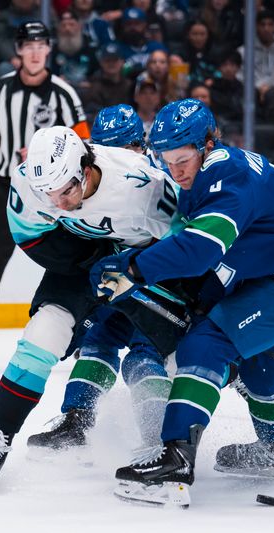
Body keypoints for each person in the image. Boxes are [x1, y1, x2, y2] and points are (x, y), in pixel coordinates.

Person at [88, 98, 274, 505]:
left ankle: (175, 459)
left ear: (208, 143)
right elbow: (226, 256)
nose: (175, 171)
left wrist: (135, 268)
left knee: (207, 343)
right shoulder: (214, 174)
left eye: (183, 159)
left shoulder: (225, 171)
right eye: (166, 160)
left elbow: (200, 249)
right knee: (258, 365)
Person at [0, 124, 183, 490]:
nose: (58, 203)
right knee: (42, 335)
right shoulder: (26, 181)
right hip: (82, 259)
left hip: (143, 265)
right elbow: (30, 236)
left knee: (173, 347)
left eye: (66, 190)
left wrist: (134, 267)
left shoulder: (144, 186)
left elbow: (188, 243)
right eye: (48, 194)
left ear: (86, 168)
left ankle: (169, 445)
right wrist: (91, 261)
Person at [26, 106, 173, 452]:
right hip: (115, 277)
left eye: (126, 148)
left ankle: (159, 437)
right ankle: (77, 420)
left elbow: (180, 237)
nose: (116, 156)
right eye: (108, 148)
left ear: (141, 145)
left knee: (144, 353)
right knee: (96, 341)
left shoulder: (154, 180)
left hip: (158, 278)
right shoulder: (87, 178)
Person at [0, 21, 89, 358]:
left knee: (75, 259)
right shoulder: (0, 91)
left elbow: (84, 143)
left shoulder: (64, 93)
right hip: (6, 187)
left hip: (56, 191)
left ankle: (81, 334)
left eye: (40, 45)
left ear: (48, 49)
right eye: (27, 45)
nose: (34, 51)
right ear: (18, 50)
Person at [237, 10, 274, 104]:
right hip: (249, 97)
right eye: (262, 24)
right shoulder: (243, 52)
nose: (266, 28)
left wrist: (270, 89)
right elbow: (240, 77)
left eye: (270, 24)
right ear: (256, 27)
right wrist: (258, 89)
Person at [82, 42, 134, 121]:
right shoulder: (93, 87)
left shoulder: (130, 86)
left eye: (115, 60)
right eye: (107, 60)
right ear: (101, 62)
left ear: (122, 62)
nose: (111, 64)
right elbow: (93, 114)